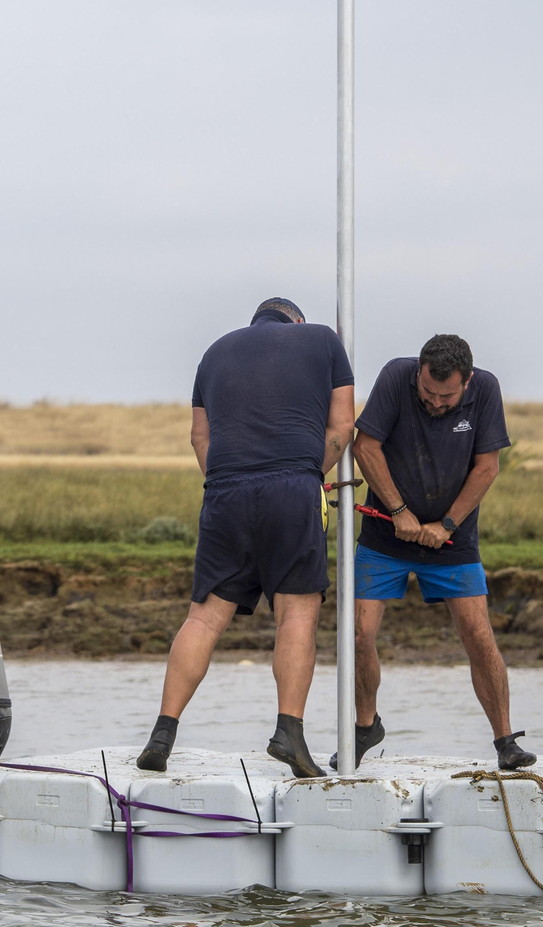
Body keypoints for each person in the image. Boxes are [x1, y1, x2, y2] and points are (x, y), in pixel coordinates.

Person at [137, 298, 355, 778]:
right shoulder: (323, 340)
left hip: (224, 492)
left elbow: (199, 436)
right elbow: (343, 426)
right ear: (295, 322)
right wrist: (306, 475)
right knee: (296, 613)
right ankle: (289, 732)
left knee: (205, 619)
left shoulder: (214, 353)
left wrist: (227, 481)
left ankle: (162, 733)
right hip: (293, 487)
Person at [339, 333, 536, 771]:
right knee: (358, 634)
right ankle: (365, 726)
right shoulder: (395, 377)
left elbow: (487, 467)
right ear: (419, 374)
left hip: (453, 542)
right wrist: (400, 511)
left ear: (466, 382)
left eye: (446, 395)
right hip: (385, 537)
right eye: (427, 391)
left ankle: (505, 740)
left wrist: (446, 524)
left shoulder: (487, 389)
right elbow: (365, 447)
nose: (435, 401)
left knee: (478, 635)